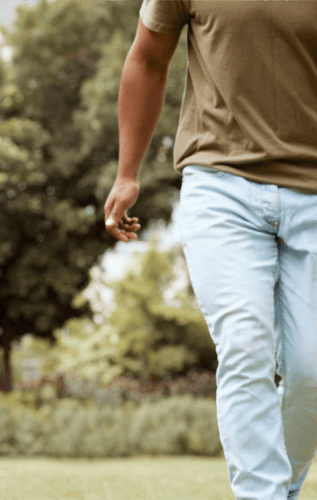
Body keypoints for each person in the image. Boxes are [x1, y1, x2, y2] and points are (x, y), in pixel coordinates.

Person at [105, 1, 317, 499]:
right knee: (245, 345)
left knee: (312, 372)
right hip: (221, 186)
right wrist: (128, 172)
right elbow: (148, 59)